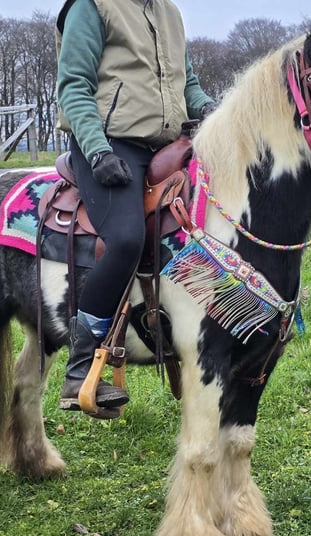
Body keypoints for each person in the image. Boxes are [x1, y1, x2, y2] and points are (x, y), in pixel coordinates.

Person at [54, 0, 216, 417]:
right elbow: (73, 85)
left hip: (168, 145)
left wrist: (208, 108)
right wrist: (97, 151)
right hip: (110, 144)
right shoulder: (92, 7)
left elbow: (189, 82)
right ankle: (79, 367)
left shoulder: (169, 12)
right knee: (127, 239)